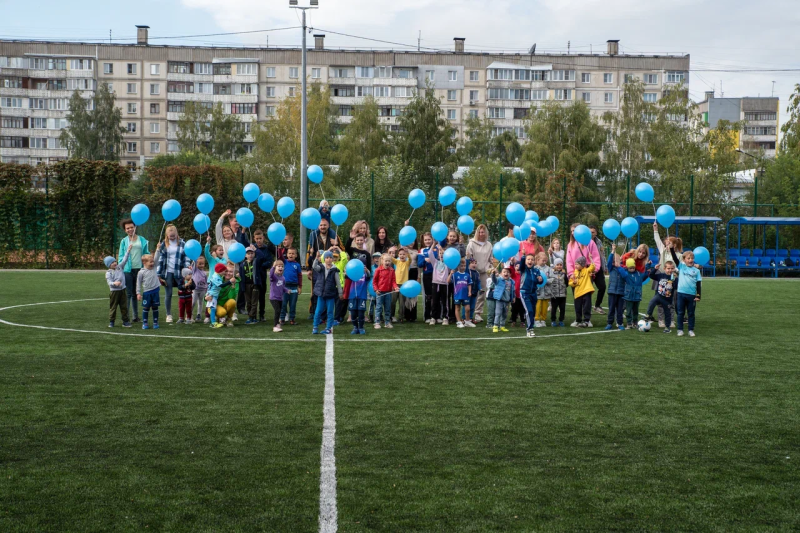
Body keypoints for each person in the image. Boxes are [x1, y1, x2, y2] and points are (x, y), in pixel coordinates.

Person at [566, 222, 601, 325]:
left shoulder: (590, 243)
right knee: (577, 298)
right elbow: (569, 261)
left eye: (574, 230)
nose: (573, 233)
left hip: (586, 274)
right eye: (571, 231)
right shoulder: (570, 245)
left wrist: (595, 270)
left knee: (586, 299)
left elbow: (595, 258)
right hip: (575, 276)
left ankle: (587, 319)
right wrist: (571, 274)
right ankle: (578, 319)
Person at [156, 224, 191, 324]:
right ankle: (168, 314)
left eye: (174, 235)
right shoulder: (163, 244)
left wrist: (187, 267)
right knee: (169, 294)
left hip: (180, 272)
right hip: (168, 273)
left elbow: (186, 257)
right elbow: (161, 259)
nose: (172, 237)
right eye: (170, 236)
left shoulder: (183, 243)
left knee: (183, 293)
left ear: (177, 233)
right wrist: (158, 273)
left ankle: (184, 316)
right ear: (167, 235)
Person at [118, 218, 150, 323]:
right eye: (127, 228)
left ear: (135, 227)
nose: (130, 229)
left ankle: (135, 317)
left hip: (140, 270)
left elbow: (146, 254)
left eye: (131, 227)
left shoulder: (142, 240)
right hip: (127, 270)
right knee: (128, 294)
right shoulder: (124, 241)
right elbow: (121, 257)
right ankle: (126, 317)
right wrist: (120, 268)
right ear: (125, 230)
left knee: (136, 293)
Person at [652, 221, 683, 328]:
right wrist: (655, 230)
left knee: (672, 301)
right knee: (660, 299)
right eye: (666, 243)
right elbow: (657, 241)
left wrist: (676, 272)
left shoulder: (679, 255)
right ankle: (661, 320)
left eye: (668, 243)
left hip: (673, 280)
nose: (666, 244)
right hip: (661, 278)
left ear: (674, 245)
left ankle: (671, 320)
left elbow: (681, 268)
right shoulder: (663, 250)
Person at [306, 218, 338, 319]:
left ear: (328, 225)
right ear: (318, 226)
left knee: (327, 290)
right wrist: (308, 268)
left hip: (329, 267)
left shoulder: (333, 235)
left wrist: (336, 244)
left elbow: (342, 250)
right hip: (317, 268)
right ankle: (313, 312)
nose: (322, 227)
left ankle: (324, 314)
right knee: (315, 291)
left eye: (324, 225)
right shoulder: (313, 236)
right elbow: (309, 254)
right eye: (321, 225)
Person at [670, 248, 701, 337]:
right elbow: (675, 258)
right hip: (681, 294)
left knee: (691, 313)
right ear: (684, 260)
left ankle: (691, 330)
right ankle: (680, 329)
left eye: (692, 258)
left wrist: (698, 295)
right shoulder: (681, 267)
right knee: (680, 312)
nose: (691, 260)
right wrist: (672, 248)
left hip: (691, 295)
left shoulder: (697, 271)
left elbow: (698, 284)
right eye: (688, 258)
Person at [615, 258, 653, 329]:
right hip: (628, 296)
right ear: (627, 267)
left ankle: (635, 323)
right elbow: (621, 271)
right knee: (628, 311)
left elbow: (645, 275)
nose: (632, 269)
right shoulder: (626, 274)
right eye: (630, 268)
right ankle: (629, 323)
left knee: (636, 311)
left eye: (633, 267)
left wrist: (648, 265)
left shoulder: (638, 274)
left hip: (637, 296)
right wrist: (619, 266)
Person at [466, 224, 493, 323]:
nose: (481, 234)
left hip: (484, 271)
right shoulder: (471, 243)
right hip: (473, 272)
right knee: (471, 293)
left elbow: (490, 259)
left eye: (483, 232)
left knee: (482, 292)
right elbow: (469, 257)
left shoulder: (489, 244)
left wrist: (491, 269)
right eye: (480, 232)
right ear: (477, 232)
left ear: (486, 233)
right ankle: (468, 314)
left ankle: (478, 313)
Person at [312, 251, 342, 335]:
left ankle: (328, 328)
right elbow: (314, 267)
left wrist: (340, 293)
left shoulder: (335, 270)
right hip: (321, 294)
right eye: (327, 258)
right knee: (318, 311)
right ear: (324, 259)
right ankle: (315, 327)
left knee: (330, 311)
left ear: (332, 259)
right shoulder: (321, 267)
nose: (329, 259)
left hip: (330, 294)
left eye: (330, 258)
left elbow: (338, 283)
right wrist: (316, 258)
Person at [104, 242, 133, 328]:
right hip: (114, 292)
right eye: (112, 262)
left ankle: (125, 321)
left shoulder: (120, 267)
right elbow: (109, 282)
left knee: (124, 307)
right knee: (113, 307)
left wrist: (128, 251)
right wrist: (114, 283)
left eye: (115, 261)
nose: (115, 263)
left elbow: (125, 259)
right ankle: (112, 321)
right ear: (109, 265)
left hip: (122, 290)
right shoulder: (108, 273)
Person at [644, 260, 677, 334]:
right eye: (668, 268)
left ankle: (667, 327)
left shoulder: (673, 278)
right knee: (652, 302)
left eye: (672, 268)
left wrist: (675, 280)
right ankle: (648, 314)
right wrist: (655, 269)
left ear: (674, 269)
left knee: (667, 313)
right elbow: (651, 275)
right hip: (659, 295)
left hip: (667, 299)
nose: (670, 270)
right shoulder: (661, 275)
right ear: (664, 268)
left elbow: (676, 287)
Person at [251, 229, 275, 322]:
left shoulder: (267, 249)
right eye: (257, 239)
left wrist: (261, 265)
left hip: (262, 276)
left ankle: (261, 314)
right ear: (254, 238)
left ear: (263, 238)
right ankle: (252, 315)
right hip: (252, 276)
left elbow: (269, 261)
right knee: (252, 297)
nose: (258, 240)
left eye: (260, 238)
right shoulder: (251, 248)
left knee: (261, 296)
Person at [517, 253, 544, 338]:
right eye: (528, 259)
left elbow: (538, 282)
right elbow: (521, 265)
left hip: (533, 293)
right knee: (530, 311)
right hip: (524, 292)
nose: (530, 261)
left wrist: (540, 280)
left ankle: (529, 322)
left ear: (534, 261)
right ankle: (529, 329)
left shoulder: (536, 270)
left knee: (532, 311)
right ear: (525, 261)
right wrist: (523, 256)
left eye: (532, 259)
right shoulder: (523, 269)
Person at [427, 243, 451, 326]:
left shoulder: (448, 264)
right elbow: (430, 253)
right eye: (440, 253)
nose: (442, 255)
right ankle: (433, 317)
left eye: (443, 254)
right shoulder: (435, 262)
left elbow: (452, 260)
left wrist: (442, 249)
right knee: (434, 301)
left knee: (445, 302)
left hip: (444, 284)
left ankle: (445, 317)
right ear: (438, 254)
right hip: (435, 283)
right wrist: (433, 244)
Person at [136, 252, 162, 330]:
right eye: (150, 262)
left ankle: (155, 322)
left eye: (153, 261)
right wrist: (138, 293)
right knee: (146, 308)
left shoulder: (154, 268)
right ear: (144, 262)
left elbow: (157, 258)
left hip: (155, 291)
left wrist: (158, 249)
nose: (152, 263)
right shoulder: (141, 272)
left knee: (155, 307)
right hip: (147, 293)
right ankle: (145, 323)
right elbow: (138, 283)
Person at [372, 253, 398, 329]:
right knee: (378, 307)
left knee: (387, 308)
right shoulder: (378, 270)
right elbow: (374, 281)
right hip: (380, 292)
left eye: (389, 261)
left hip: (388, 292)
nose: (387, 263)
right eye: (386, 261)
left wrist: (395, 287)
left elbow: (393, 281)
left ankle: (387, 322)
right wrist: (376, 289)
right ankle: (377, 322)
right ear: (382, 261)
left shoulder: (392, 270)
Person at [568, 256, 595, 328]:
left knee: (587, 307)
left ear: (582, 265)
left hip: (586, 291)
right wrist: (574, 282)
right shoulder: (574, 273)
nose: (575, 266)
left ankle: (587, 320)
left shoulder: (586, 270)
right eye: (575, 264)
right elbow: (570, 283)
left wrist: (591, 258)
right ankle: (578, 320)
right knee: (578, 307)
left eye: (577, 264)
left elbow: (592, 267)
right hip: (577, 293)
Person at [449, 258, 475, 328]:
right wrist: (450, 274)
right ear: (458, 266)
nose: (463, 267)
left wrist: (469, 291)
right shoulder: (455, 275)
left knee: (467, 309)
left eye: (464, 266)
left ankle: (467, 321)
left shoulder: (467, 275)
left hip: (465, 294)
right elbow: (448, 281)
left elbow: (469, 284)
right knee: (457, 308)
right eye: (461, 266)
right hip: (457, 294)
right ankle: (459, 322)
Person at [348, 256, 371, 335]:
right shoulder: (352, 272)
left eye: (364, 265)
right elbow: (347, 275)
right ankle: (355, 327)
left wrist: (366, 271)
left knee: (361, 313)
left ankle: (361, 327)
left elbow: (369, 276)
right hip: (352, 296)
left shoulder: (365, 274)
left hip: (362, 296)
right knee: (353, 313)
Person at [280, 248, 303, 325]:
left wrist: (300, 286)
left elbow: (299, 276)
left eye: (293, 253)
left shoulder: (297, 265)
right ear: (287, 254)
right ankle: (282, 318)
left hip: (294, 287)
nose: (291, 255)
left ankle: (292, 319)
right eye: (289, 253)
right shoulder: (284, 262)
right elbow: (280, 256)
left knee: (292, 304)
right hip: (285, 286)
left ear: (296, 255)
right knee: (283, 303)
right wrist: (279, 248)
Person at [604, 252, 625, 331]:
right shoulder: (611, 269)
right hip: (612, 292)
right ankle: (609, 323)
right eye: (613, 260)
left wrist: (619, 267)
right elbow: (608, 262)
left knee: (620, 310)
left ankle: (620, 323)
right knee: (611, 309)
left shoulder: (622, 269)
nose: (614, 262)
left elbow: (625, 275)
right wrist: (612, 252)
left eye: (615, 260)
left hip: (621, 293)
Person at [492, 264, 516, 333]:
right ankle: (495, 326)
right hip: (499, 300)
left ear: (510, 274)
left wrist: (513, 297)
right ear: (501, 273)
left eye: (508, 272)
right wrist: (493, 274)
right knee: (498, 313)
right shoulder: (499, 280)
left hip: (507, 300)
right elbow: (494, 280)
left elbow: (512, 290)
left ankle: (502, 326)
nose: (506, 273)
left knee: (504, 314)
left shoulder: (511, 282)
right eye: (504, 272)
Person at [418, 233, 436, 323]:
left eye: (429, 239)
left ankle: (436, 316)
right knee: (428, 296)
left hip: (437, 275)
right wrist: (425, 260)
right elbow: (419, 264)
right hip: (427, 275)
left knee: (436, 296)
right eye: (426, 240)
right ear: (423, 241)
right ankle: (427, 316)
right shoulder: (421, 250)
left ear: (432, 239)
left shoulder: (436, 249)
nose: (427, 241)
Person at [390, 247, 412, 323]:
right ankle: (391, 316)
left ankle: (401, 317)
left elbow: (410, 259)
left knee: (402, 302)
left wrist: (408, 252)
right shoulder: (397, 262)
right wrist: (390, 252)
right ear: (398, 255)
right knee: (393, 301)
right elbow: (391, 258)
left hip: (404, 285)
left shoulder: (407, 263)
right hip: (395, 285)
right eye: (400, 254)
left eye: (404, 254)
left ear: (406, 255)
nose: (402, 256)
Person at [589, 225, 607, 314]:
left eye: (593, 232)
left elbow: (602, 255)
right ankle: (587, 307)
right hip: (588, 269)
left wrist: (605, 266)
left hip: (599, 268)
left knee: (602, 287)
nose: (591, 234)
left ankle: (597, 306)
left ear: (596, 233)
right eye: (590, 232)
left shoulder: (599, 241)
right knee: (588, 289)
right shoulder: (585, 241)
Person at [215, 263, 240, 327]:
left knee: (232, 302)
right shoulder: (217, 279)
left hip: (226, 304)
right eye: (226, 271)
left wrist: (232, 286)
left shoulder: (236, 283)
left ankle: (229, 318)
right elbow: (209, 292)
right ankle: (218, 317)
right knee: (221, 313)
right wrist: (206, 299)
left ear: (234, 273)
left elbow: (231, 297)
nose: (228, 273)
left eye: (231, 272)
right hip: (215, 304)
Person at [269, 260, 290, 332]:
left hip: (280, 298)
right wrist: (273, 267)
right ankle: (275, 326)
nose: (280, 268)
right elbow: (270, 275)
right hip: (273, 298)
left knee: (279, 311)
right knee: (277, 310)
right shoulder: (274, 277)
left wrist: (287, 290)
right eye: (278, 266)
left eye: (282, 266)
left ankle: (277, 324)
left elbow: (283, 287)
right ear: (275, 268)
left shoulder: (283, 278)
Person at [205, 263, 227, 328]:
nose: (224, 272)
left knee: (213, 308)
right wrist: (230, 282)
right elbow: (220, 285)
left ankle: (213, 322)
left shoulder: (216, 275)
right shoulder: (216, 277)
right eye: (223, 270)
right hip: (212, 295)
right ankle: (213, 323)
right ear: (220, 270)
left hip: (212, 294)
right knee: (213, 309)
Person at [534, 252, 552, 328]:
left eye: (545, 260)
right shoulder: (535, 269)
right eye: (542, 260)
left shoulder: (548, 269)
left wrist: (546, 281)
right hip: (537, 292)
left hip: (546, 292)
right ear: (537, 260)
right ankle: (537, 320)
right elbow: (532, 278)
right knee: (537, 306)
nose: (544, 262)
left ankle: (543, 319)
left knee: (544, 307)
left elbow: (552, 278)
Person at [332, 246, 350, 325]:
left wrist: (340, 250)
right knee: (329, 304)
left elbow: (345, 258)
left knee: (339, 304)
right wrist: (329, 249)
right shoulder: (329, 264)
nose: (334, 258)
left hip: (339, 287)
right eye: (333, 256)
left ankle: (337, 319)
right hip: (330, 287)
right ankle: (327, 318)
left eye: (336, 257)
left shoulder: (340, 264)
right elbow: (323, 257)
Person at [241, 248, 259, 325]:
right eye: (248, 254)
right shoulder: (242, 264)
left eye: (252, 253)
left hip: (255, 284)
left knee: (254, 302)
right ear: (245, 255)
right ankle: (252, 316)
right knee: (248, 302)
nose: (250, 255)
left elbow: (261, 257)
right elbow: (241, 276)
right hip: (246, 285)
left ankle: (251, 317)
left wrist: (256, 250)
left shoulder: (256, 262)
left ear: (254, 254)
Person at [549, 258, 568, 327]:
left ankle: (561, 320)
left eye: (560, 265)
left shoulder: (564, 274)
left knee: (562, 308)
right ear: (554, 266)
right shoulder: (551, 273)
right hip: (554, 295)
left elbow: (567, 283)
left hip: (563, 295)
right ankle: (553, 320)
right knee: (554, 309)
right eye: (557, 265)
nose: (559, 266)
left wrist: (565, 275)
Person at [192, 256, 209, 324]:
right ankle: (190, 314)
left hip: (202, 290)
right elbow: (194, 263)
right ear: (196, 264)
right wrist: (195, 256)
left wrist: (206, 288)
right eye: (200, 264)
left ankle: (199, 315)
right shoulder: (195, 270)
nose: (201, 265)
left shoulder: (204, 272)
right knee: (193, 302)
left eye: (203, 264)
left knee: (200, 302)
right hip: (195, 289)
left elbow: (206, 281)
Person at [508, 257, 524, 327]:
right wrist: (511, 263)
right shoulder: (514, 275)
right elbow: (511, 269)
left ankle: (522, 321)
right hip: (515, 296)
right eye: (516, 266)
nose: (518, 267)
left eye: (519, 266)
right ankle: (513, 321)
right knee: (514, 309)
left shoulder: (523, 275)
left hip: (522, 296)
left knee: (522, 310)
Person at [465, 258, 481, 323]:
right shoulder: (468, 271)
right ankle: (464, 318)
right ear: (469, 264)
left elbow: (478, 282)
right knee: (466, 306)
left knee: (472, 306)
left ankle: (470, 318)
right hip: (468, 292)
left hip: (475, 292)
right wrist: (467, 258)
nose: (474, 264)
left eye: (475, 263)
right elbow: (466, 265)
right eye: (472, 263)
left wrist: (480, 288)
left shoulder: (477, 273)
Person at [366, 252, 381, 323]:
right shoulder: (371, 268)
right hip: (372, 288)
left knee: (379, 303)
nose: (377, 259)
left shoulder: (382, 267)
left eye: (378, 258)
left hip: (380, 288)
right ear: (373, 259)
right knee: (371, 303)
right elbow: (369, 275)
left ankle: (380, 316)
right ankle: (371, 317)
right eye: (375, 258)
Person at [484, 259, 498, 330]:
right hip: (490, 297)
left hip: (496, 297)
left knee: (496, 311)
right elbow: (492, 284)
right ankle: (489, 323)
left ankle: (495, 323)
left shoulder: (497, 278)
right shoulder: (489, 279)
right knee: (491, 311)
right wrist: (493, 275)